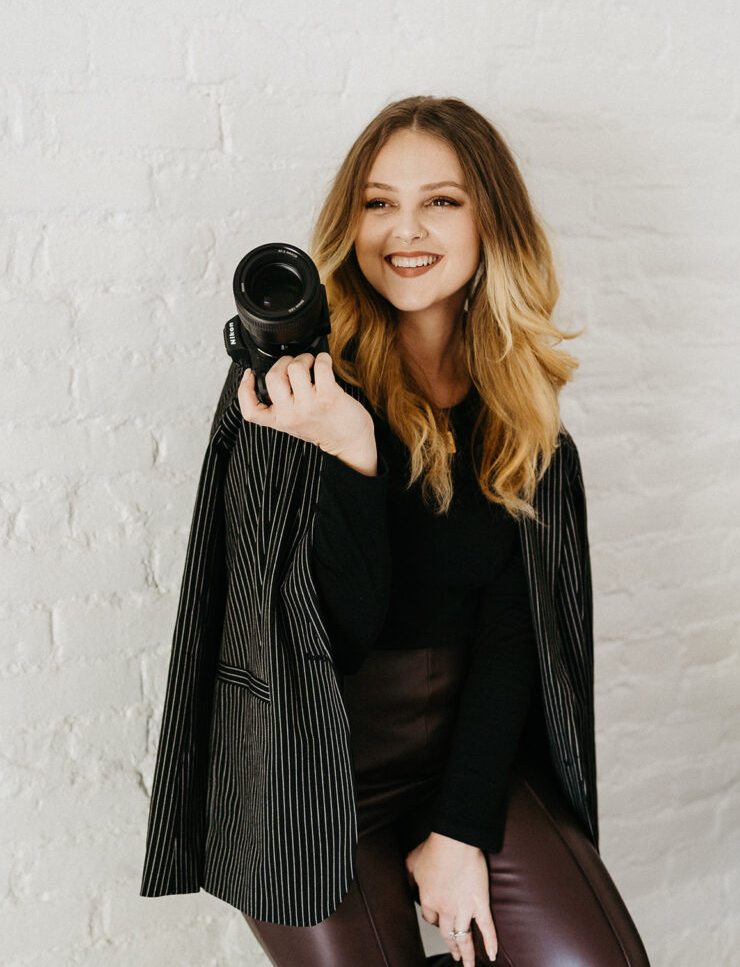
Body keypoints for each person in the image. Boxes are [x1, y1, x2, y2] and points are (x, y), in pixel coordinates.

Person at [140, 96, 650, 967]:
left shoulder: (525, 419)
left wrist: (459, 831)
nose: (404, 230)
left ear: (493, 221)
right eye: (379, 202)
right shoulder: (295, 395)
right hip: (303, 768)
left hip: (462, 752)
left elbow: (516, 639)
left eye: (441, 201)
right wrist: (349, 454)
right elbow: (324, 635)